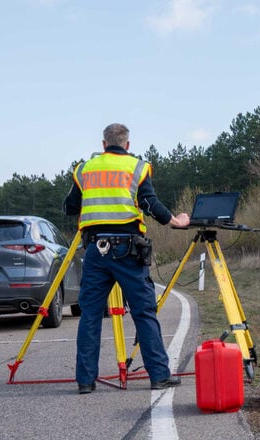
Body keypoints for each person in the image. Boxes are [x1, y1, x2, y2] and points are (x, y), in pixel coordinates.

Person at [64, 123, 190, 394]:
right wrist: (175, 221)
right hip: (128, 250)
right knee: (144, 312)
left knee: (90, 315)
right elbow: (149, 203)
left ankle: (85, 381)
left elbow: (70, 206)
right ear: (127, 145)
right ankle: (159, 376)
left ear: (104, 144)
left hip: (95, 249)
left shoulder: (84, 170)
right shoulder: (137, 167)